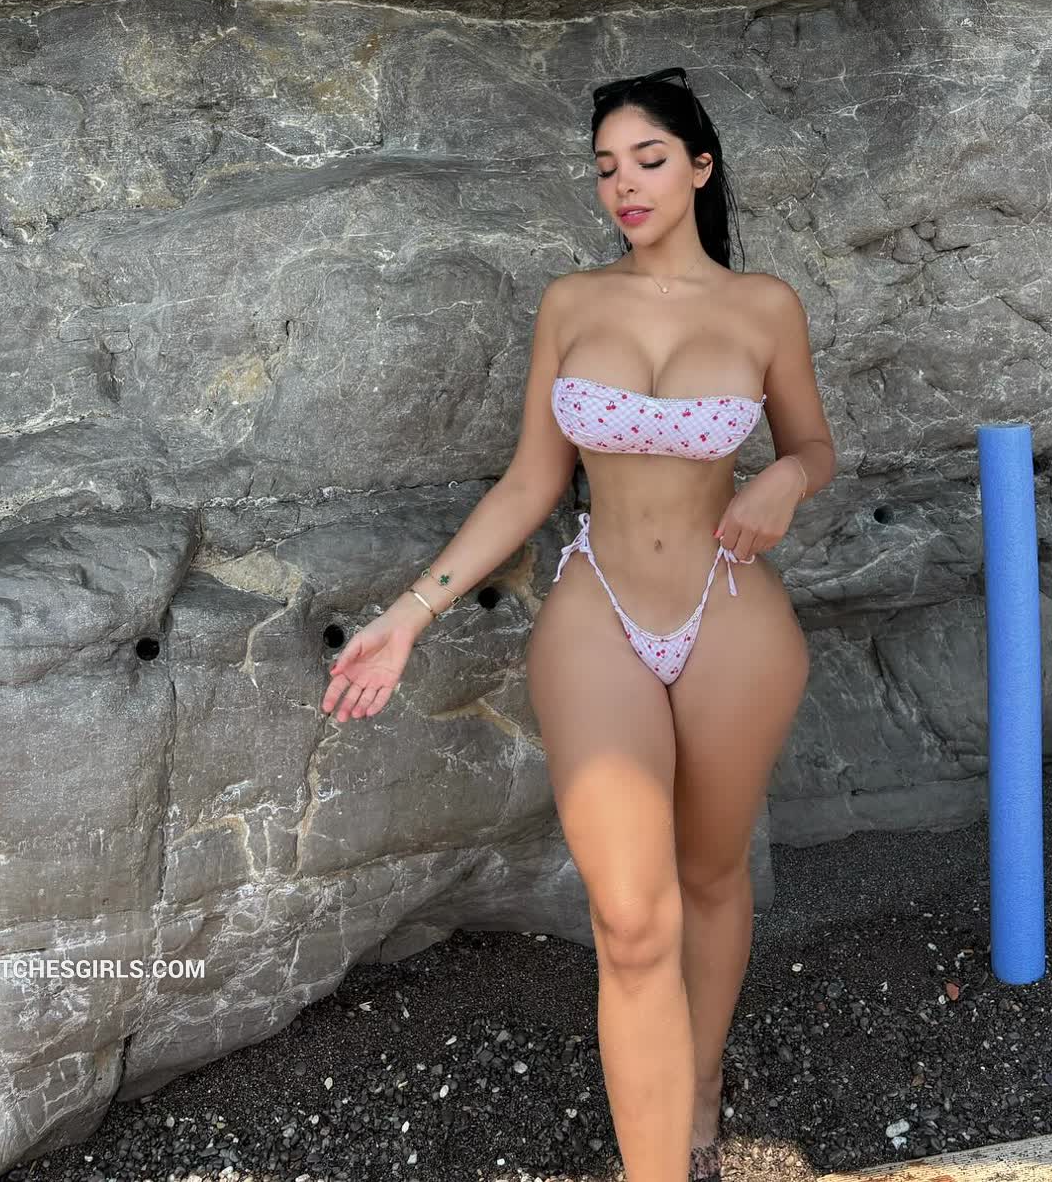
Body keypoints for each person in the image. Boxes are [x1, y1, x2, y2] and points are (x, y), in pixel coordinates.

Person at [321, 66, 836, 1182]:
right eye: (605, 168)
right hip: (598, 608)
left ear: (700, 166)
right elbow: (528, 484)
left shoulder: (763, 306)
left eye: (648, 159)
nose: (624, 185)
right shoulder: (572, 303)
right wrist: (409, 613)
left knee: (711, 874)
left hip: (730, 610)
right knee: (633, 922)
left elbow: (813, 445)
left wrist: (785, 479)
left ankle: (700, 1086)